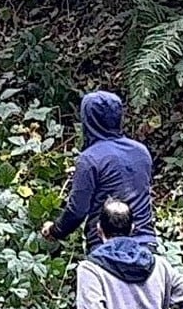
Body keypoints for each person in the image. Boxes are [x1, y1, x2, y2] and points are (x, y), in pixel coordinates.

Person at [41, 91, 157, 251]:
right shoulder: (141, 151)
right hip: (145, 245)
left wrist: (56, 230)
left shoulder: (90, 159)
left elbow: (77, 210)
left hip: (106, 248)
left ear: (88, 121)